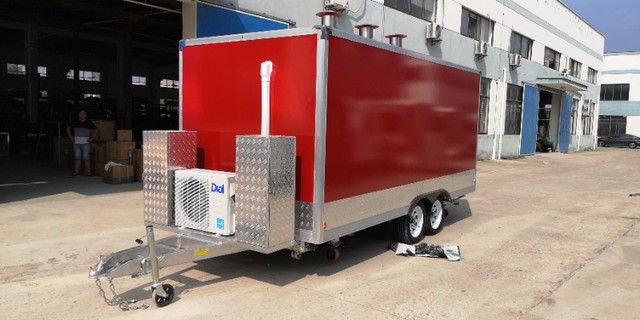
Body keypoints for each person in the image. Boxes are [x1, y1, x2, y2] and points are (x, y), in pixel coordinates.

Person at [67, 109, 98, 176]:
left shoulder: (88, 123)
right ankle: (76, 172)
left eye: (84, 113)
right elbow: (68, 128)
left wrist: (92, 138)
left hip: (86, 143)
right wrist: (71, 137)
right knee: (77, 158)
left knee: (86, 158)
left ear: (86, 115)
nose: (83, 115)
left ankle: (89, 172)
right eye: (81, 113)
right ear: (78, 114)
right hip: (77, 143)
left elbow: (96, 129)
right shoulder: (74, 122)